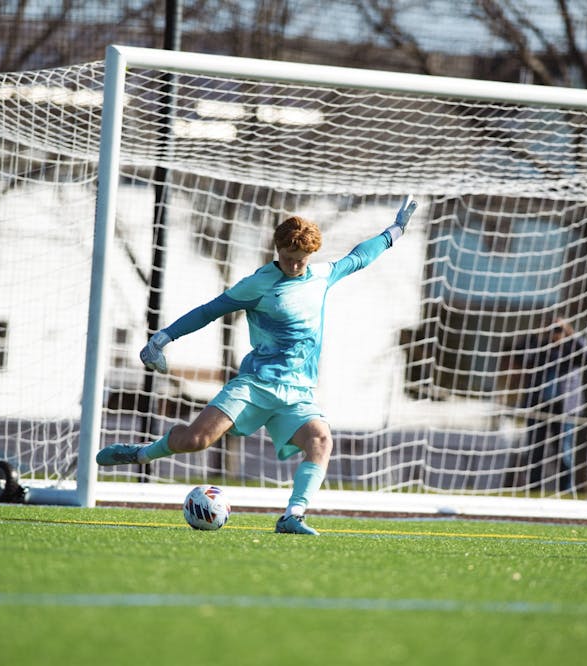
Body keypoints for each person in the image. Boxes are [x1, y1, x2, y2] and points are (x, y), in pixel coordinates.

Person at [97, 196, 419, 534]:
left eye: (302, 260)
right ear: (278, 250)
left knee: (321, 439)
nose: (295, 266)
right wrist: (163, 338)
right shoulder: (258, 284)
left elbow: (359, 257)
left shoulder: (321, 276)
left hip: (297, 393)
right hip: (254, 385)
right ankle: (141, 453)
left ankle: (293, 516)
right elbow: (210, 310)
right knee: (195, 440)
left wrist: (395, 230)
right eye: (289, 259)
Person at [508, 315, 587, 492]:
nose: (555, 334)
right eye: (552, 330)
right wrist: (537, 335)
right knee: (535, 450)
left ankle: (566, 489)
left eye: (557, 330)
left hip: (564, 407)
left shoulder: (571, 349)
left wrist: (570, 332)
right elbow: (519, 354)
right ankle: (533, 488)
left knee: (564, 451)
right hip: (539, 405)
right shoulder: (540, 348)